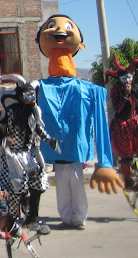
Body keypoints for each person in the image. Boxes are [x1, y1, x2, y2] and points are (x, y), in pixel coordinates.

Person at [35, 15, 123, 230]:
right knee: (63, 188)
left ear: (80, 44)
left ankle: (79, 218)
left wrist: (105, 161)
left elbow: (101, 123)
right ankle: (67, 217)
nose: (59, 30)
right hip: (58, 156)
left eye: (66, 27)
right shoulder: (42, 88)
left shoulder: (87, 90)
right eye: (51, 26)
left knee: (75, 186)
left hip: (75, 155)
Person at [0, 74, 57, 235]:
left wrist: (49, 139)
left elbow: (38, 129)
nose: (32, 99)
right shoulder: (11, 112)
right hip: (12, 155)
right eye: (28, 95)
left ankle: (32, 219)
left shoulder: (33, 113)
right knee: (18, 188)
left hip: (27, 154)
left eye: (33, 95)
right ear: (21, 97)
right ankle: (12, 222)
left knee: (39, 182)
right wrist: (5, 138)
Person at [105, 55, 138, 190]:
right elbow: (117, 108)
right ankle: (129, 181)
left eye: (129, 77)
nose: (127, 81)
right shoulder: (116, 91)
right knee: (126, 154)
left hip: (133, 122)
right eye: (124, 79)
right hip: (122, 126)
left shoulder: (135, 89)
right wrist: (125, 95)